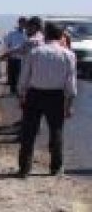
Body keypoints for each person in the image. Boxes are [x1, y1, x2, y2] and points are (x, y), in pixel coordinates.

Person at [17, 22, 77, 176]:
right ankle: (56, 168)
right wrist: (69, 104)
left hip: (34, 94)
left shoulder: (35, 52)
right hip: (56, 97)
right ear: (61, 36)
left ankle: (24, 169)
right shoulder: (68, 55)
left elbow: (24, 77)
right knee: (56, 132)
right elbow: (70, 83)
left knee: (28, 133)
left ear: (46, 35)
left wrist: (21, 95)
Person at [2, 17, 29, 91]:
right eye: (21, 23)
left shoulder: (27, 34)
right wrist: (7, 53)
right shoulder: (12, 33)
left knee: (20, 75)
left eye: (24, 23)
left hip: (22, 58)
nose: (23, 24)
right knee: (12, 74)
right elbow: (7, 44)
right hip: (12, 57)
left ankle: (19, 89)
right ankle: (13, 89)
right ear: (19, 23)